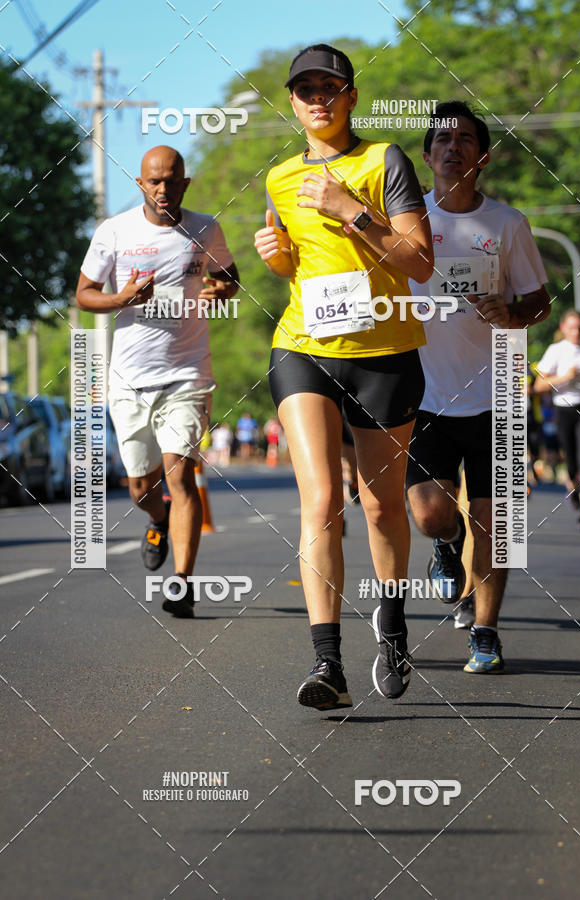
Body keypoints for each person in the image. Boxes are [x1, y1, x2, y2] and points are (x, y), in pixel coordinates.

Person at [254, 44, 433, 710]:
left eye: (330, 87)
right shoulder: (278, 178)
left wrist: (349, 208)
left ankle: (393, 629)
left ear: (352, 96)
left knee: (382, 505)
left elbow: (419, 261)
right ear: (292, 101)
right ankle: (327, 664)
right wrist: (276, 257)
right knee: (323, 499)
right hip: (303, 347)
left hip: (384, 352)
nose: (318, 99)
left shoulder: (384, 160)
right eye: (305, 89)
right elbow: (297, 265)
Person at [405, 101, 550, 673]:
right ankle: (447, 545)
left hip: (500, 391)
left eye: (465, 138)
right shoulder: (407, 222)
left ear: (482, 157)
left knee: (498, 524)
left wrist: (514, 314)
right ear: (426, 156)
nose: (453, 146)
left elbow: (539, 301)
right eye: (442, 139)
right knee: (431, 515)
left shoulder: (507, 224)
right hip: (424, 395)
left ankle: (485, 632)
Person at [76, 145, 238, 617]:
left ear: (185, 183)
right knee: (141, 488)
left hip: (187, 373)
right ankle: (159, 519)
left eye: (171, 180)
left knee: (180, 474)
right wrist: (122, 298)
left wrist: (224, 289)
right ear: (141, 184)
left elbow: (229, 277)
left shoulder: (205, 228)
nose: (163, 189)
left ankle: (182, 583)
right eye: (154, 181)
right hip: (129, 379)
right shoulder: (115, 231)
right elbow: (84, 294)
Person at [534, 310, 580, 530]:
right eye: (572, 328)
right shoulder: (556, 351)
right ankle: (574, 489)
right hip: (563, 410)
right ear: (563, 328)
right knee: (571, 461)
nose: (576, 332)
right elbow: (539, 386)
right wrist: (565, 377)